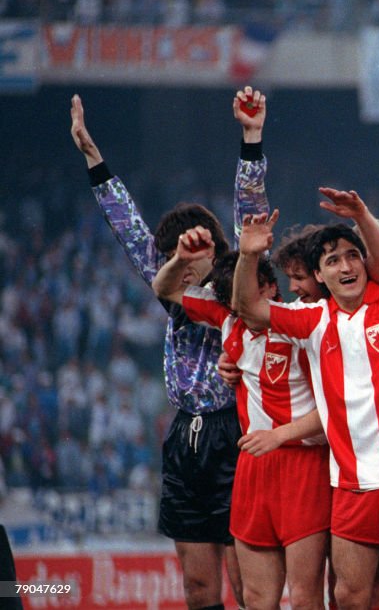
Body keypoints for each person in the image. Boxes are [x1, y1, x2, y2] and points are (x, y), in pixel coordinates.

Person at [71, 87, 270, 608]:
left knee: (249, 584)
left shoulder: (239, 289)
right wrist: (95, 160)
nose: (184, 258)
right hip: (185, 439)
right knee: (198, 587)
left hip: (238, 433)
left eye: (194, 247)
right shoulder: (173, 295)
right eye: (174, 255)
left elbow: (252, 216)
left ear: (216, 247)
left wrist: (251, 140)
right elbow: (130, 232)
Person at [234, 208, 379, 610]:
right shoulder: (313, 320)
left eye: (353, 255)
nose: (345, 266)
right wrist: (248, 256)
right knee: (348, 595)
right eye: (332, 260)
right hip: (351, 484)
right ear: (320, 276)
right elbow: (249, 308)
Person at [153, 237, 330, 610]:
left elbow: (336, 407)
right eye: (231, 298)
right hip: (253, 468)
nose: (238, 305)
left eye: (244, 293)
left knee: (305, 597)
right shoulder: (227, 319)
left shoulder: (304, 323)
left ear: (268, 286)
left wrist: (280, 436)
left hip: (302, 465)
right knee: (256, 598)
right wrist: (182, 258)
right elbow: (165, 287)